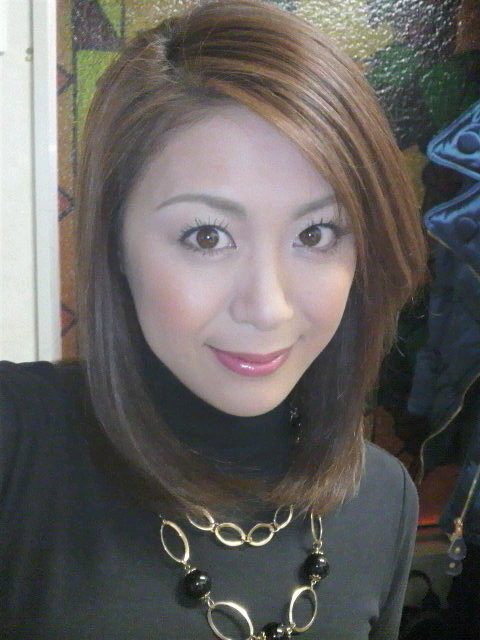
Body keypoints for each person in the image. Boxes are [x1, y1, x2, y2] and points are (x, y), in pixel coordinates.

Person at [0, 1, 427, 638]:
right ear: (116, 243)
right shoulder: (19, 445)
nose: (268, 307)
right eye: (207, 236)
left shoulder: (384, 499)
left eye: (316, 233)